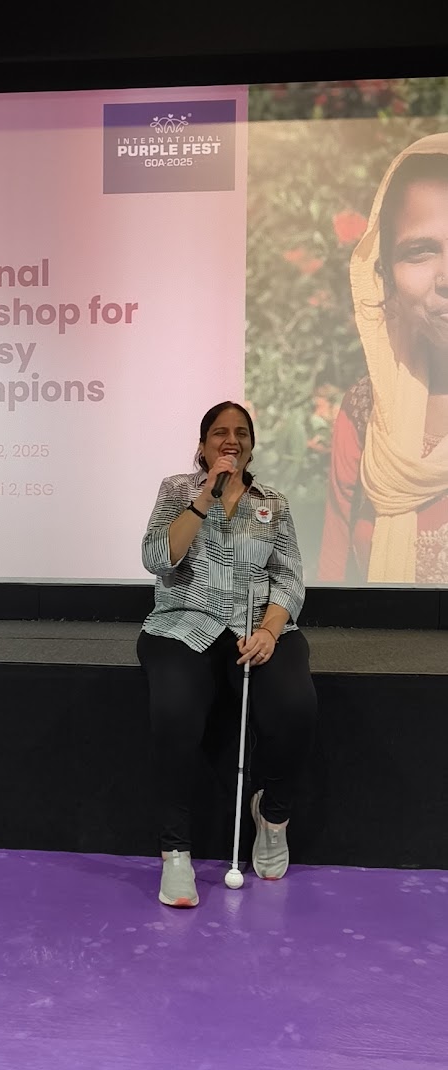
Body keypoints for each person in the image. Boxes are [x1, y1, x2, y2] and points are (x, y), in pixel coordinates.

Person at [137, 400, 317, 907]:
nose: (230, 440)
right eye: (219, 433)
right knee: (174, 713)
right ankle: (176, 854)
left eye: (241, 432)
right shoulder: (177, 491)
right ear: (202, 445)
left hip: (255, 628)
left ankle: (273, 816)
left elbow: (289, 579)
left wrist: (269, 629)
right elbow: (157, 558)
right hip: (184, 624)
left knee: (295, 708)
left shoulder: (273, 502)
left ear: (252, 445)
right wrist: (203, 499)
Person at [318, 134, 448, 584]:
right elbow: (333, 577)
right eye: (420, 250)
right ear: (385, 275)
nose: (447, 276)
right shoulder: (366, 410)